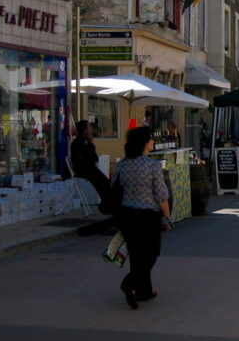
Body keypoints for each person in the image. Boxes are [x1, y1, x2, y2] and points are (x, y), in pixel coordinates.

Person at [113, 126, 172, 309]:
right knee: (152, 253)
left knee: (137, 254)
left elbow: (115, 187)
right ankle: (129, 283)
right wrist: (167, 217)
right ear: (144, 144)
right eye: (150, 139)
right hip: (148, 217)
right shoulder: (153, 166)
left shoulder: (122, 164)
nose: (153, 142)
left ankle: (144, 291)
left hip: (128, 215)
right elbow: (161, 195)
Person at [70, 120, 111, 202]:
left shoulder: (84, 141)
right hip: (83, 169)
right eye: (88, 127)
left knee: (105, 183)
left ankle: (108, 201)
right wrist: (90, 143)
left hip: (89, 168)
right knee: (103, 183)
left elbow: (94, 158)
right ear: (85, 130)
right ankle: (108, 202)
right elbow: (90, 157)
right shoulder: (77, 143)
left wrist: (90, 144)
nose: (90, 129)